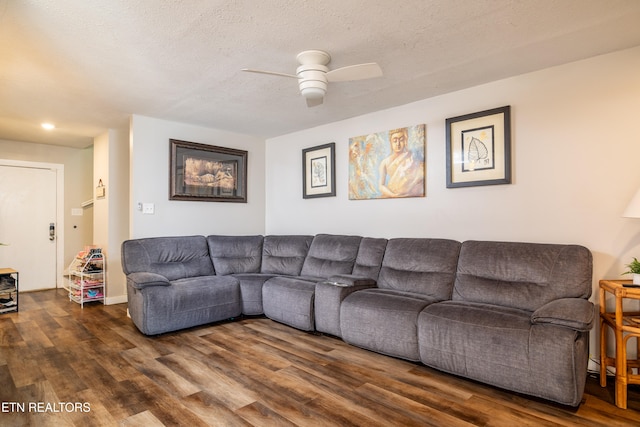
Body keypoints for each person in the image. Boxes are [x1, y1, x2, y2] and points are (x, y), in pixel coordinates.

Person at [378, 127, 424, 198]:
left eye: (401, 140)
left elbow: (420, 178)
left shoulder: (412, 159)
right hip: (391, 196)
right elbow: (381, 185)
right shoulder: (385, 162)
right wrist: (393, 195)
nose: (398, 144)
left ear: (405, 141)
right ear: (391, 142)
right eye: (395, 140)